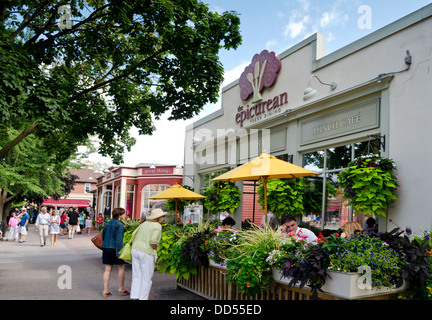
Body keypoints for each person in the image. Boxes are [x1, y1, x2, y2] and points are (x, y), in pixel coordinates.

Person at [130, 208, 167, 300]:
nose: (163, 218)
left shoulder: (144, 223)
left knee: (136, 275)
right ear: (158, 217)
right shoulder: (157, 226)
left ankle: (135, 296)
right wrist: (155, 247)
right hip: (146, 252)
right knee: (146, 278)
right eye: (163, 216)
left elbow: (133, 233)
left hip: (135, 249)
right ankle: (143, 298)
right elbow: (153, 241)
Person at [101, 207, 129, 298]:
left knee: (107, 269)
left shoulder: (107, 223)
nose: (124, 215)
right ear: (120, 215)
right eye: (123, 214)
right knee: (121, 268)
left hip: (106, 248)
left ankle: (105, 290)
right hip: (115, 248)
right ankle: (121, 289)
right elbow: (119, 240)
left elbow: (103, 235)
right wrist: (119, 253)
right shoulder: (120, 225)